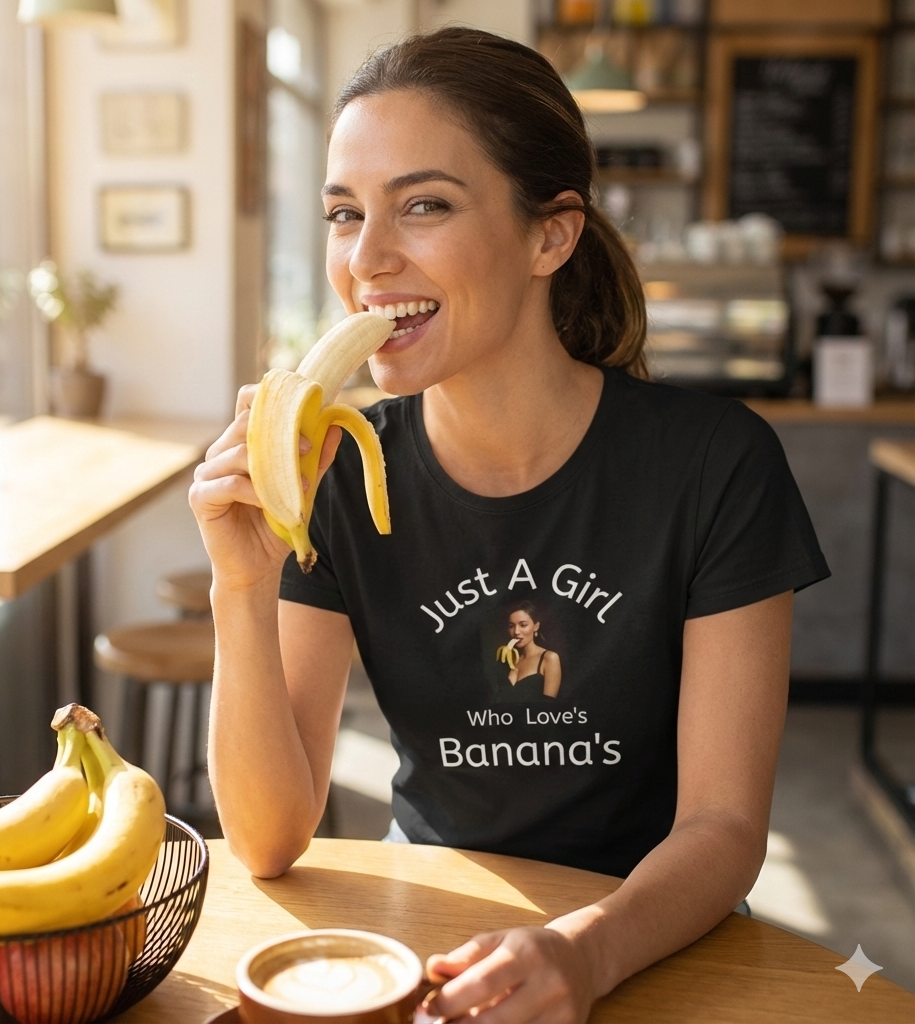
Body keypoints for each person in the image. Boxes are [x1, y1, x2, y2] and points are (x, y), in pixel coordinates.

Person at [190, 27, 829, 1024]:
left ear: (551, 234)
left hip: (653, 936)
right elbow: (270, 837)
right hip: (432, 931)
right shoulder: (341, 469)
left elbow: (723, 823)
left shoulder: (714, 464)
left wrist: (586, 952)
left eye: (424, 205)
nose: (366, 258)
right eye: (343, 213)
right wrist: (241, 582)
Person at [496, 601, 562, 701]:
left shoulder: (549, 658)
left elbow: (549, 708)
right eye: (511, 626)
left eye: (523, 625)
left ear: (536, 626)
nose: (516, 632)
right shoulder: (509, 662)